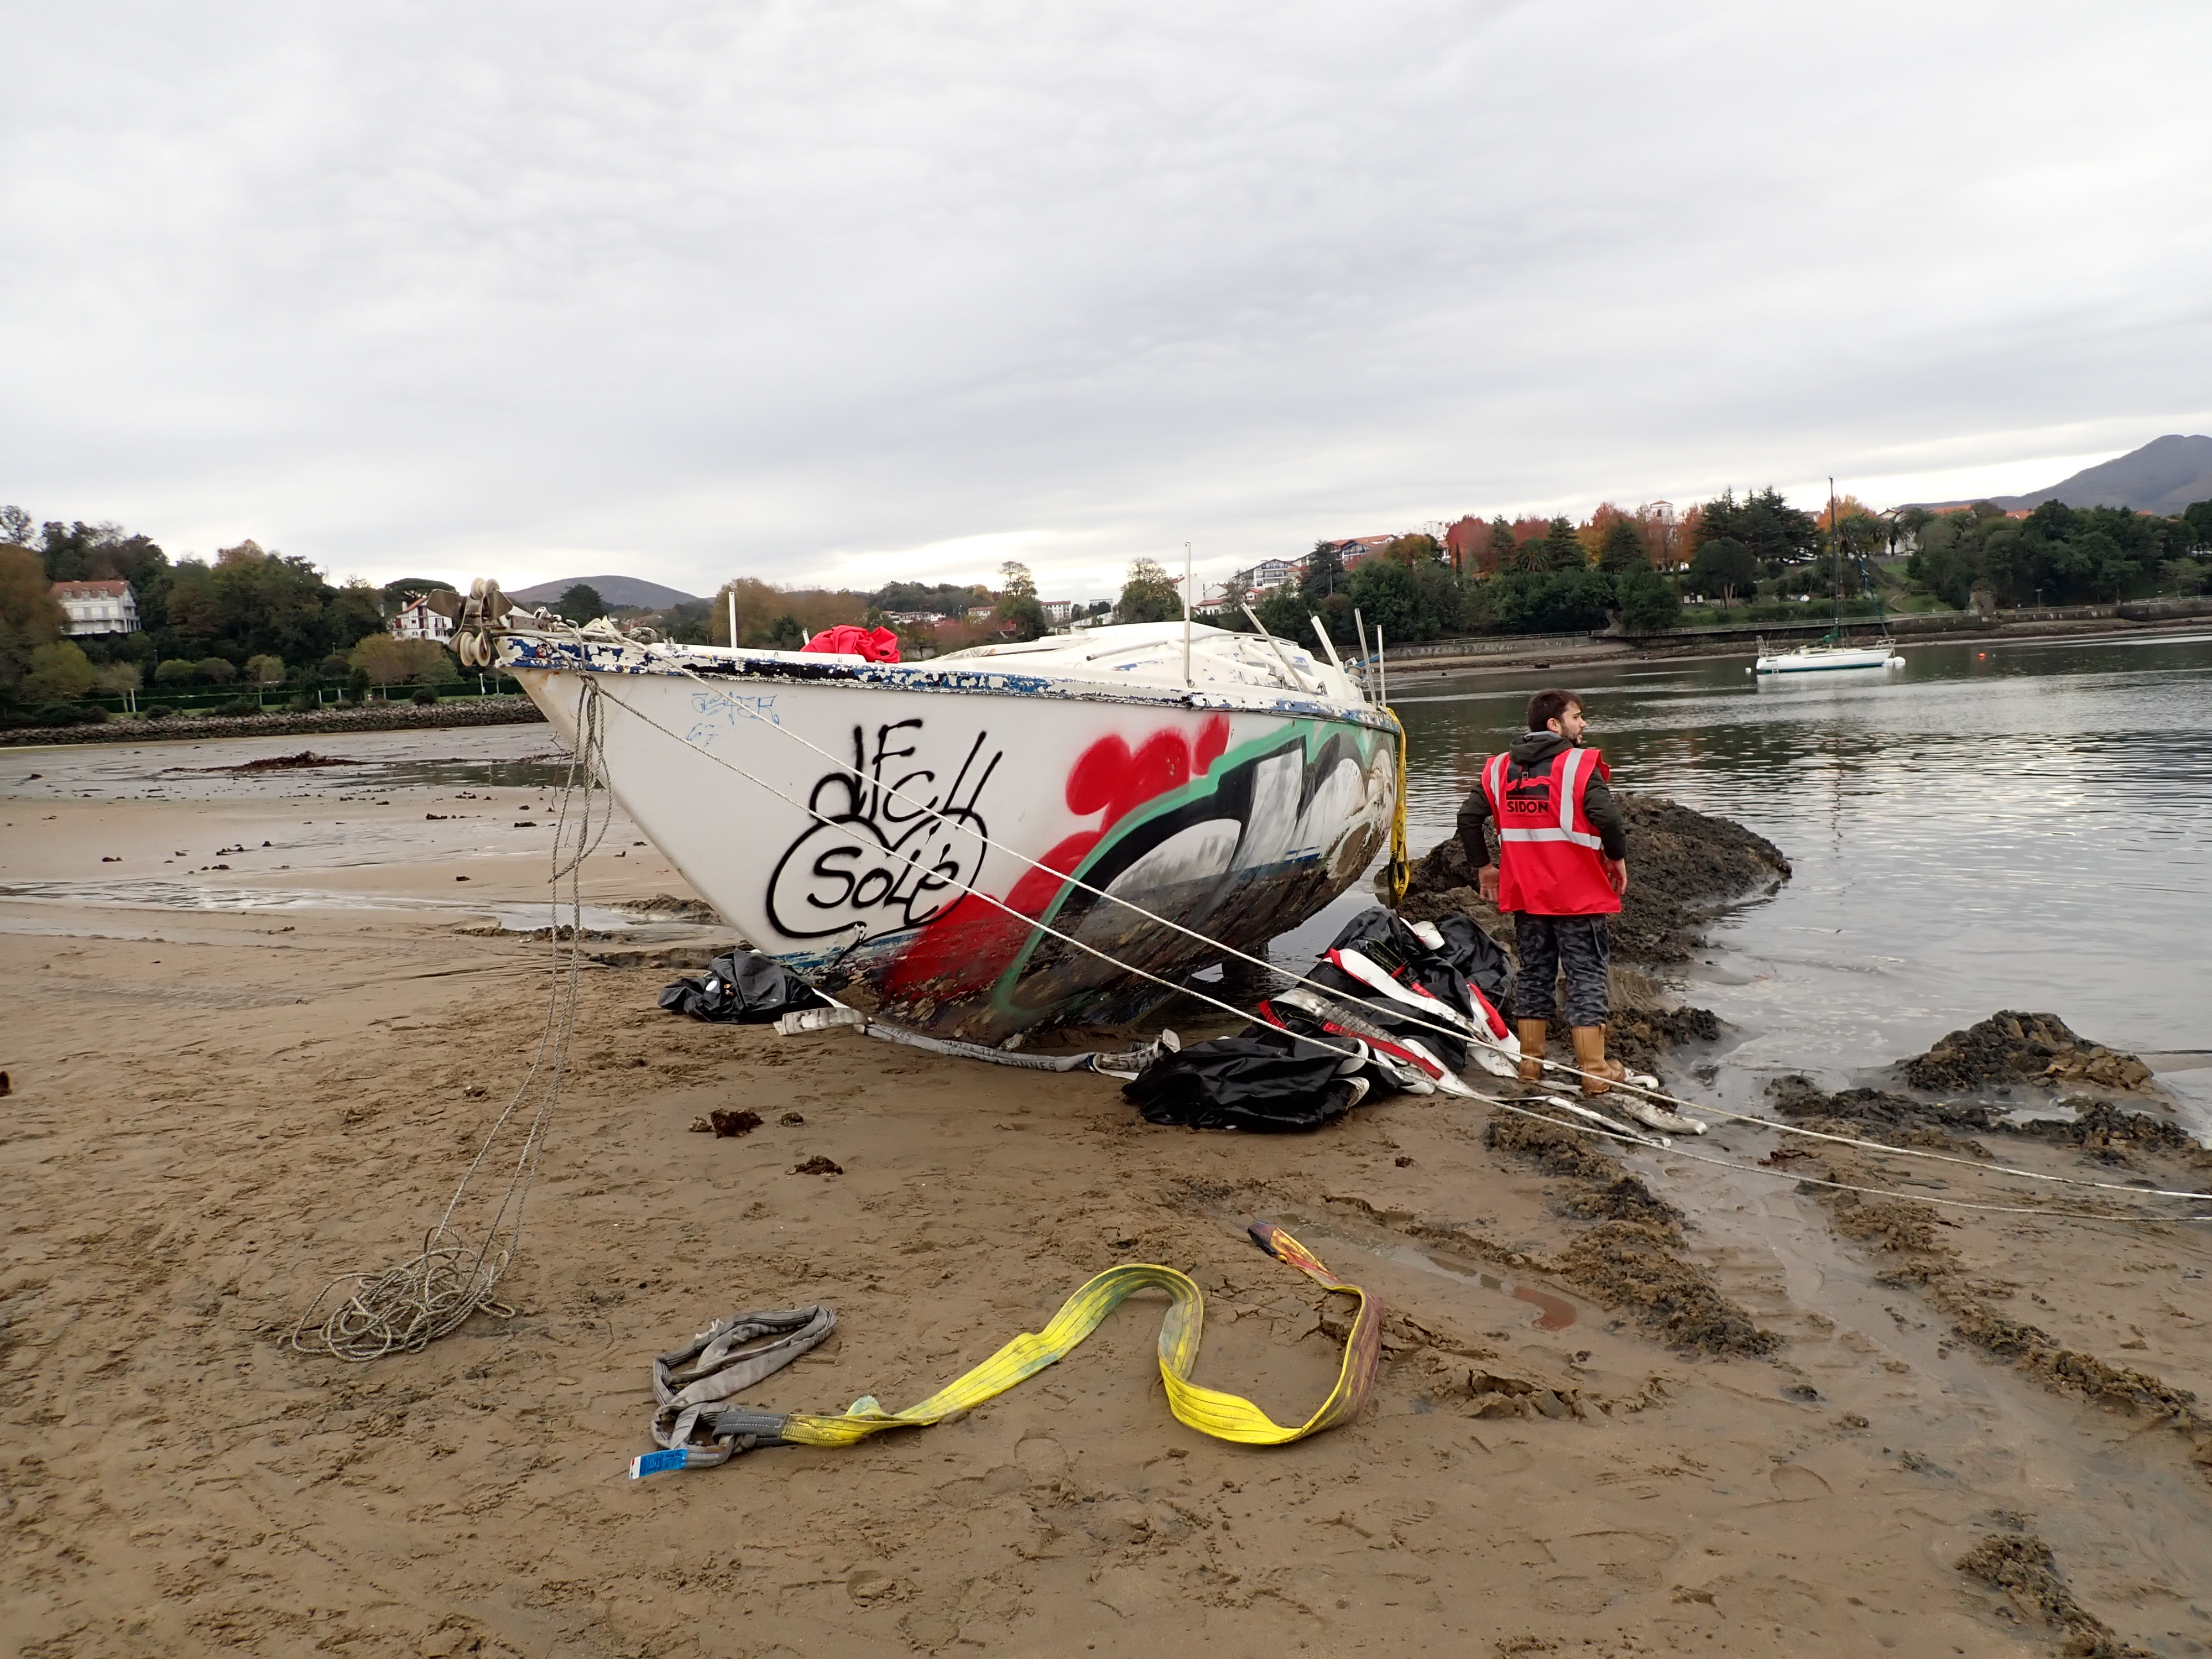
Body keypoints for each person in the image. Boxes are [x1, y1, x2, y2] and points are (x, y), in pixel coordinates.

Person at [1455, 688, 1630, 1094]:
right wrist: (1617, 858)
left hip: (1528, 897)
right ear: (1555, 725)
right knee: (1586, 974)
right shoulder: (1579, 765)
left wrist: (1484, 868)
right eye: (1577, 716)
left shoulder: (1499, 768)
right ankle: (1594, 1071)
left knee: (1535, 973)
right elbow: (1608, 817)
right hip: (1577, 895)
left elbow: (1468, 818)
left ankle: (1531, 1068)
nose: (1583, 724)